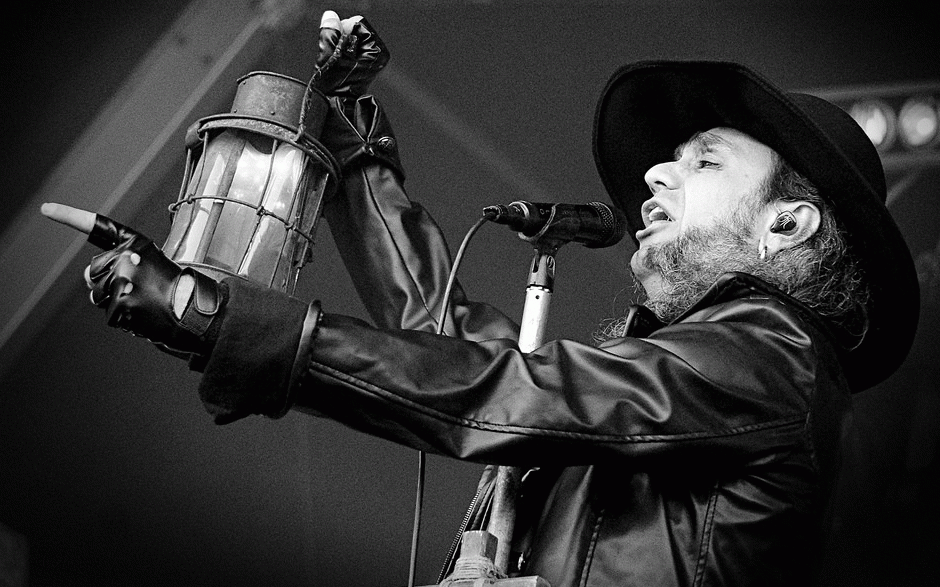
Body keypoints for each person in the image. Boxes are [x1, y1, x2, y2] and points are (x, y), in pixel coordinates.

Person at [71, 11, 919, 587]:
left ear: (787, 223)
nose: (658, 172)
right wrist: (356, 160)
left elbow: (506, 390)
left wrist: (218, 315)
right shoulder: (674, 379)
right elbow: (465, 355)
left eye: (704, 161)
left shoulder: (776, 353)